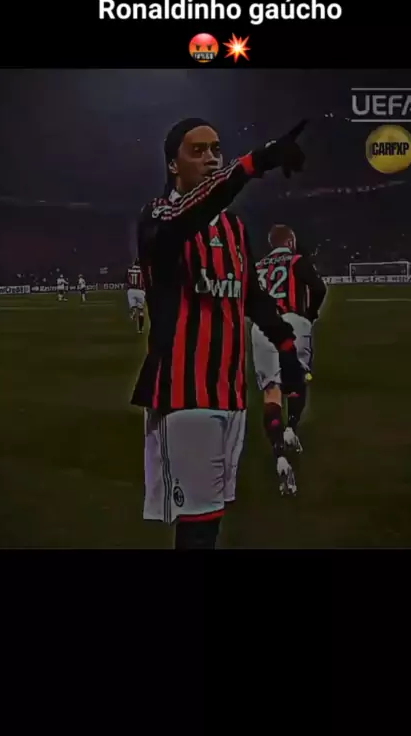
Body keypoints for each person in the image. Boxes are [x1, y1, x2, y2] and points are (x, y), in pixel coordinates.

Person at [131, 117, 308, 549]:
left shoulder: (233, 229)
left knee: (211, 520)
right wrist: (253, 163)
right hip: (183, 392)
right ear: (173, 165)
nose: (211, 158)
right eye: (198, 151)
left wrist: (286, 347)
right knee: (199, 523)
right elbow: (187, 217)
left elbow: (252, 296)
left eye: (216, 149)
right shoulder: (158, 216)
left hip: (230, 393)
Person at [252, 224, 326, 461]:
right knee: (297, 379)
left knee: (271, 391)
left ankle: (279, 454)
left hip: (262, 328)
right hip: (293, 321)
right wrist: (311, 314)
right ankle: (291, 428)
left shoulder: (258, 266)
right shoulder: (297, 261)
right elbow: (319, 288)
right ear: (291, 242)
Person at [126, 258, 146, 332]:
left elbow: (126, 278)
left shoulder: (129, 269)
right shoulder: (142, 270)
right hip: (140, 290)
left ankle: (133, 310)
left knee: (133, 306)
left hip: (131, 290)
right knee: (141, 311)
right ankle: (140, 329)